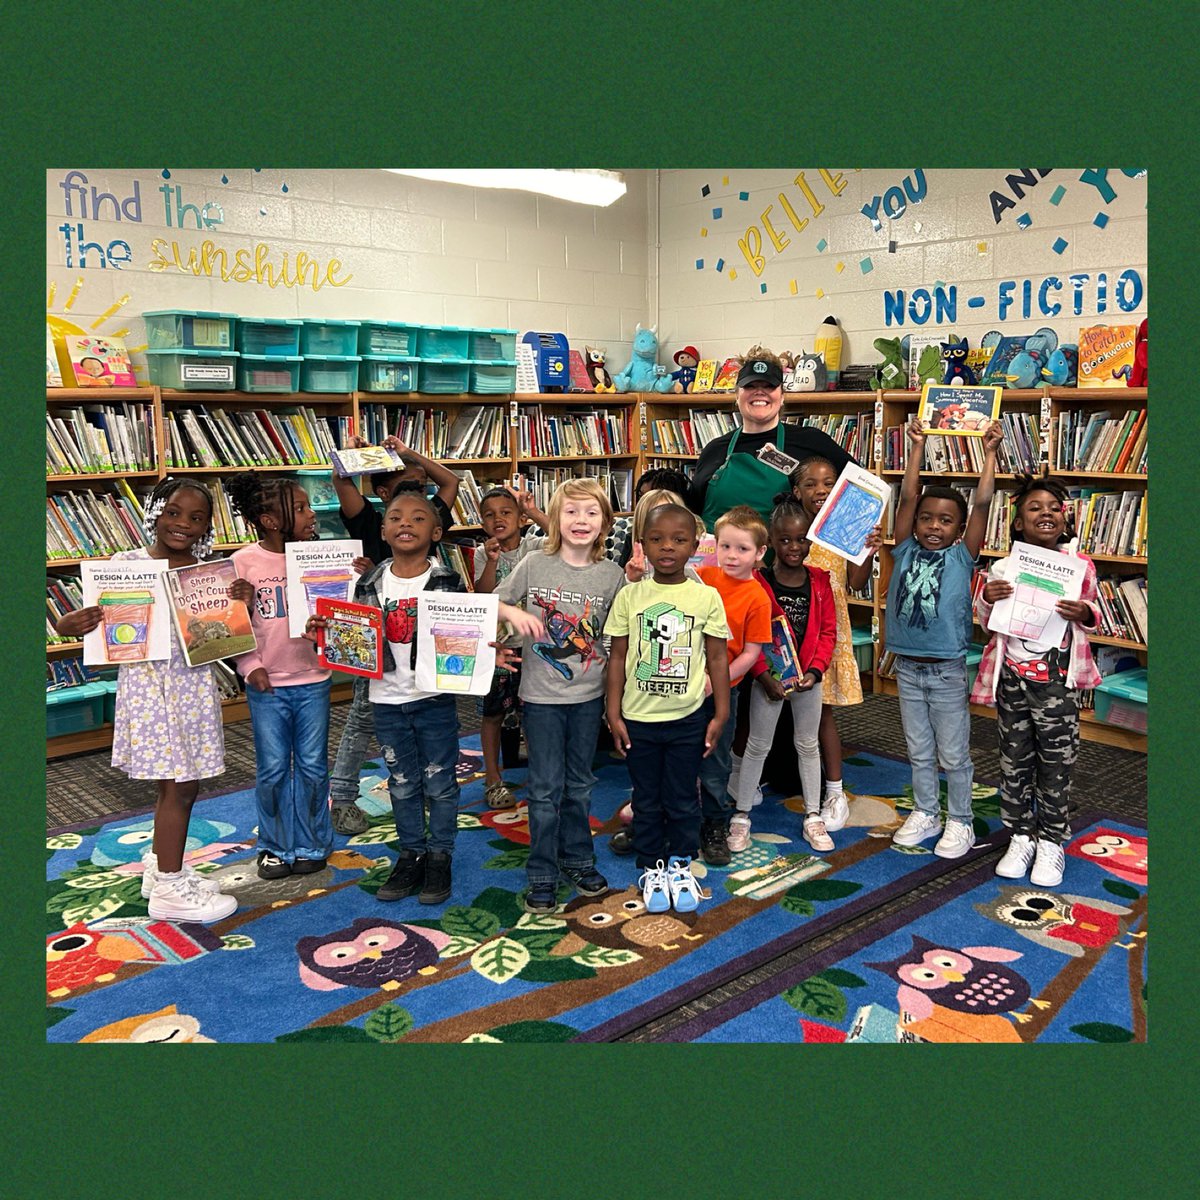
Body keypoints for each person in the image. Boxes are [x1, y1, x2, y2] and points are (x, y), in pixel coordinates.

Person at [54, 478, 238, 923]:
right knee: (179, 785)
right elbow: (79, 624)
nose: (183, 525)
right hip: (152, 691)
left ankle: (161, 869)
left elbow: (223, 636)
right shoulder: (126, 564)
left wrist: (238, 602)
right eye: (174, 512)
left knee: (181, 784)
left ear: (208, 526)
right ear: (156, 512)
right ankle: (171, 890)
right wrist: (69, 623)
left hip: (192, 688)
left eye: (197, 518)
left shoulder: (205, 572)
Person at [497, 479, 626, 914]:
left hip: (589, 698)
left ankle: (578, 858)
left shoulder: (613, 575)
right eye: (571, 512)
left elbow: (620, 636)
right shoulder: (534, 564)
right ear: (555, 518)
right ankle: (542, 870)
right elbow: (492, 603)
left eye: (591, 513)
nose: (580, 521)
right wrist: (512, 611)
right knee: (544, 787)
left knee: (581, 786)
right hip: (541, 698)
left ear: (605, 522)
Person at [325, 434, 461, 835]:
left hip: (423, 648)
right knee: (361, 719)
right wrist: (358, 456)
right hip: (376, 647)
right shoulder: (370, 519)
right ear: (383, 498)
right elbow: (341, 482)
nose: (415, 502)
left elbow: (449, 482)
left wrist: (404, 454)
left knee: (428, 723)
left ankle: (425, 800)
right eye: (404, 491)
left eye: (421, 491)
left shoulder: (428, 518)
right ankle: (344, 795)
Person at [971, 476, 1102, 887]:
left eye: (1053, 508)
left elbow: (1092, 611)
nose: (1045, 513)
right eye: (1034, 508)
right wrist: (987, 597)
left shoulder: (1080, 567)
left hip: (1056, 686)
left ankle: (1051, 839)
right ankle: (1021, 834)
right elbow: (984, 620)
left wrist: (1083, 611)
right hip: (1011, 680)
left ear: (1064, 519)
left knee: (1056, 762)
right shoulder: (1003, 567)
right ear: (1017, 524)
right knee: (1014, 760)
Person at [886, 417, 1003, 858]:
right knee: (918, 749)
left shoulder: (962, 556)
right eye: (928, 519)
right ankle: (925, 811)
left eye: (946, 521)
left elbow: (983, 504)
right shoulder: (905, 547)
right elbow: (909, 495)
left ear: (958, 529)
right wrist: (917, 445)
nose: (935, 526)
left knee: (953, 754)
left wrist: (989, 454)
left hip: (947, 671)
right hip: (908, 668)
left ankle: (961, 821)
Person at [604, 503, 730, 913]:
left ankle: (679, 863)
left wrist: (721, 713)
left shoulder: (706, 597)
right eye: (656, 539)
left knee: (681, 797)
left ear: (695, 545)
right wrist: (613, 712)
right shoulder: (630, 595)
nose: (667, 547)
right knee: (646, 797)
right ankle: (651, 866)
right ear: (642, 545)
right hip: (638, 719)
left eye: (678, 539)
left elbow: (717, 658)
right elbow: (618, 657)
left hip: (687, 718)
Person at [348, 489, 468, 905]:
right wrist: (328, 635)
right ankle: (412, 852)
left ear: (436, 532)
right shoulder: (367, 582)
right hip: (385, 699)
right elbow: (354, 638)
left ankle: (440, 854)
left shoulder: (447, 582)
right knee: (401, 781)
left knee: (440, 781)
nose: (405, 524)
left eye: (418, 519)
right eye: (396, 517)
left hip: (434, 698)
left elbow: (465, 635)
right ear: (382, 529)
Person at [227, 473, 333, 880]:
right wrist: (249, 667)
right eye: (302, 508)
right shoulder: (242, 563)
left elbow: (344, 613)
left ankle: (311, 843)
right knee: (272, 768)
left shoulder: (322, 556)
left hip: (314, 679)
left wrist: (359, 574)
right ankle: (273, 846)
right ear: (271, 521)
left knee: (312, 766)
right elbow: (229, 626)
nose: (311, 515)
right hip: (267, 683)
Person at [731, 496, 837, 853]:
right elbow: (751, 636)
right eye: (785, 540)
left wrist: (816, 670)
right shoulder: (757, 583)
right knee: (757, 745)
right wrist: (762, 676)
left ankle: (813, 815)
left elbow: (827, 633)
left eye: (802, 539)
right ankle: (741, 816)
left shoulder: (821, 581)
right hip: (768, 681)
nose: (794, 547)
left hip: (807, 679)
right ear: (769, 545)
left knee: (808, 745)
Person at [790, 454, 883, 829]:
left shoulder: (845, 527)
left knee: (822, 712)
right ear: (796, 491)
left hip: (826, 633)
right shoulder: (789, 527)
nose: (820, 490)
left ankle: (834, 790)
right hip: (789, 630)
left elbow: (857, 583)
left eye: (828, 483)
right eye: (810, 483)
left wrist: (869, 547)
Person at [686, 346, 853, 532]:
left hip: (783, 561)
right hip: (717, 560)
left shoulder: (811, 442)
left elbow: (863, 489)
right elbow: (693, 516)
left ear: (782, 396)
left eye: (769, 386)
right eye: (750, 386)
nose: (759, 392)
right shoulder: (714, 450)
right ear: (736, 395)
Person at [694, 505, 771, 865]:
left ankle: (713, 825)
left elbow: (752, 652)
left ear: (759, 554)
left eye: (742, 549)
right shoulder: (705, 576)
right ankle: (666, 817)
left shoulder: (757, 596)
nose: (731, 556)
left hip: (723, 690)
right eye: (725, 546)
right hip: (686, 681)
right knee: (677, 752)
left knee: (716, 757)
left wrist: (717, 682)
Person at [473, 486, 544, 809]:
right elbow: (483, 594)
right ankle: (492, 777)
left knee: (534, 714)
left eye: (506, 512)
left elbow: (561, 534)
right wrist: (490, 561)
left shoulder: (536, 546)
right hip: (499, 647)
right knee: (493, 714)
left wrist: (535, 511)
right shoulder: (481, 551)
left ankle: (541, 777)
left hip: (533, 648)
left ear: (521, 518)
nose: (498, 519)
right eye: (489, 515)